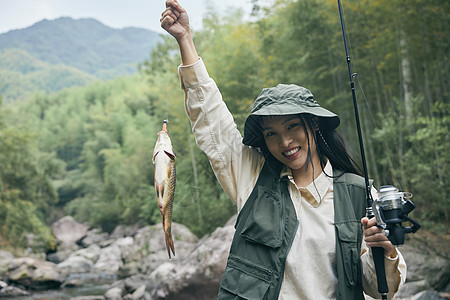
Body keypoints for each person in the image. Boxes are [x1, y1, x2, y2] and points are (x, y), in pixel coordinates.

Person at [160, 1, 406, 299]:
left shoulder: (359, 194)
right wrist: (185, 38)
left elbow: (382, 289)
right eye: (271, 134)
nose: (285, 142)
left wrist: (386, 248)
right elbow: (211, 120)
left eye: (292, 127)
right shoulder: (252, 176)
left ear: (314, 125)